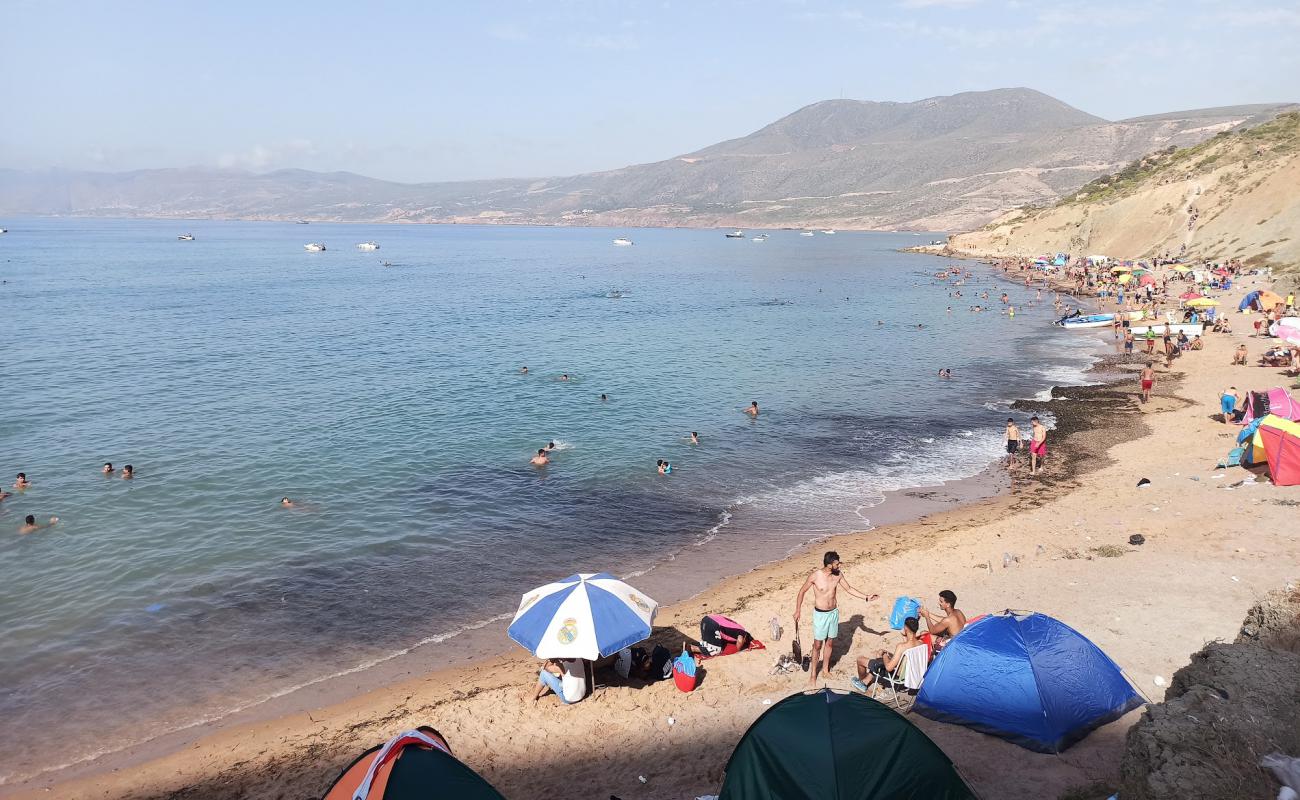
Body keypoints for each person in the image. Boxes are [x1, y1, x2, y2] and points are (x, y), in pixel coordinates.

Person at [794, 551, 878, 688]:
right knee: (817, 645)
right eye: (837, 563)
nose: (839, 565)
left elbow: (849, 588)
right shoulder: (815, 576)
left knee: (829, 644)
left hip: (833, 613)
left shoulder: (838, 575)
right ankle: (813, 675)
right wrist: (798, 610)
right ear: (829, 565)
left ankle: (825, 670)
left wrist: (866, 597)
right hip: (820, 615)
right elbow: (802, 591)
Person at [851, 616, 922, 694]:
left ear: (906, 628)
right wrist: (904, 637)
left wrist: (884, 654)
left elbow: (888, 668)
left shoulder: (901, 646)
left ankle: (863, 684)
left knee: (860, 660)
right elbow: (909, 646)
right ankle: (866, 680)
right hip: (910, 674)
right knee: (880, 659)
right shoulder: (921, 644)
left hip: (897, 676)